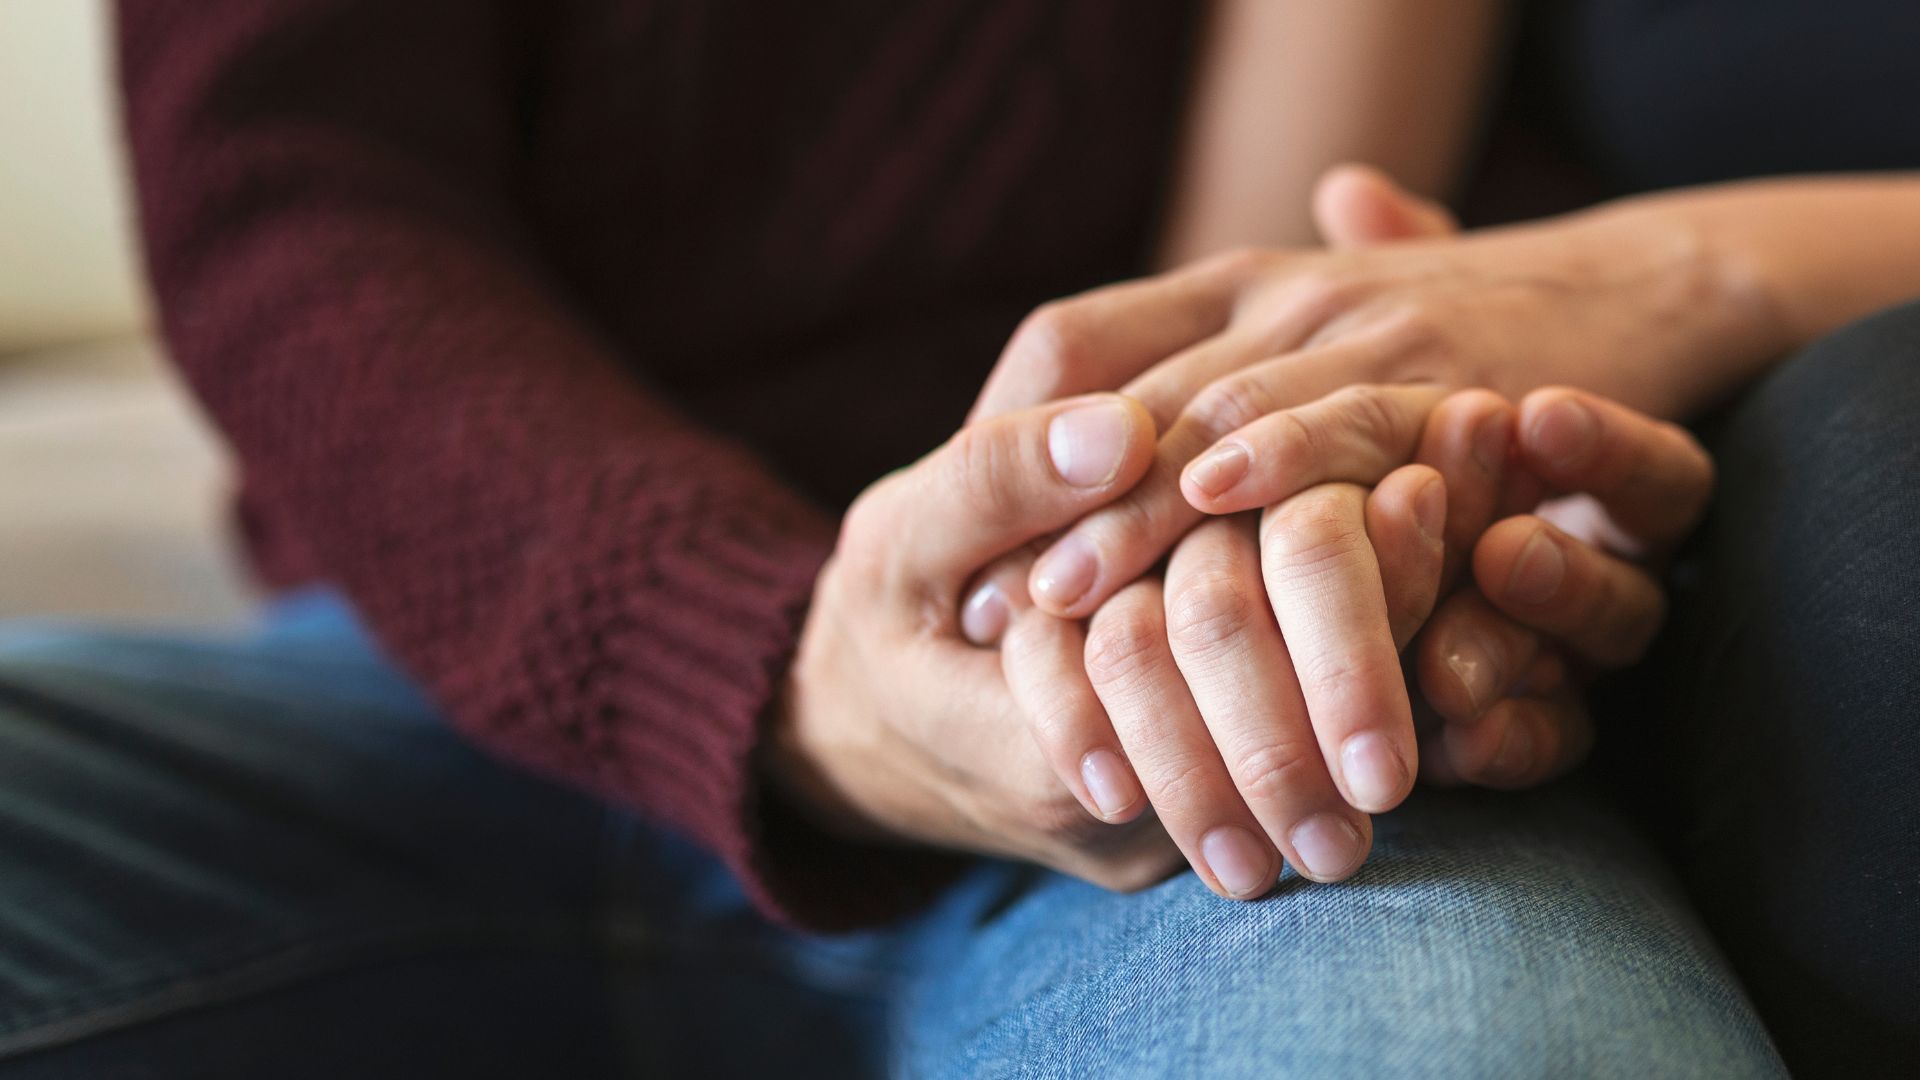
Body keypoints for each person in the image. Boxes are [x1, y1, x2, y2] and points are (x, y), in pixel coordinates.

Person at [0, 2, 1910, 1077]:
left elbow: (1274, 285)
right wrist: (785, 670)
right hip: (448, 681)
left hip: (1184, 742)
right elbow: (294, 224)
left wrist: (1330, 512)